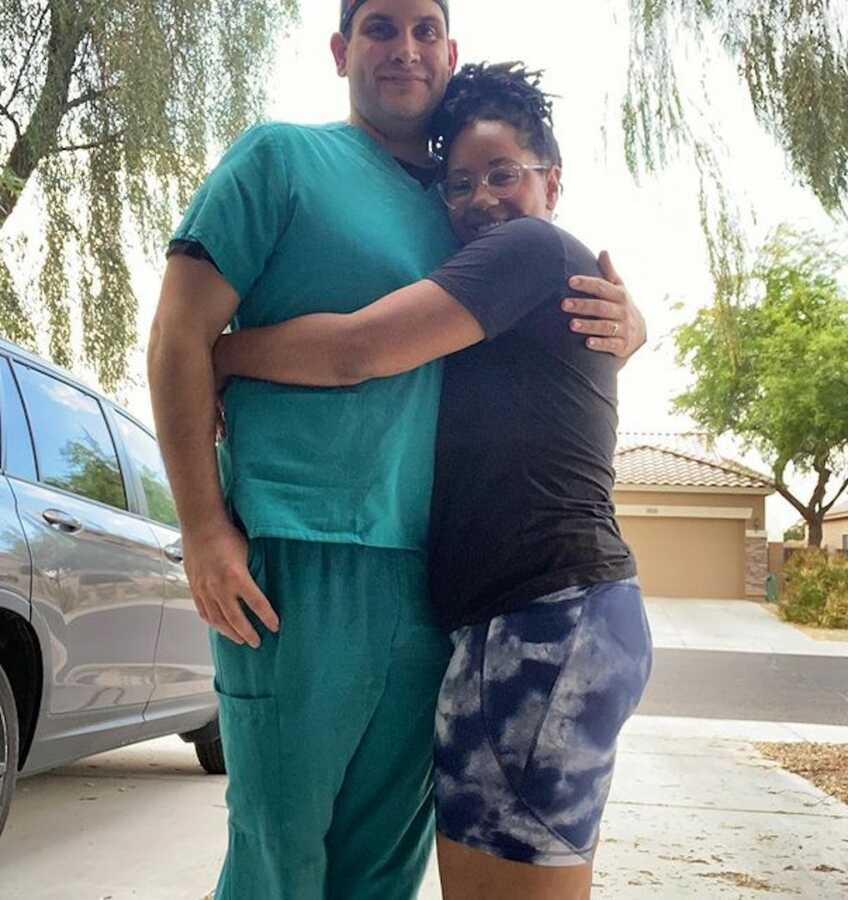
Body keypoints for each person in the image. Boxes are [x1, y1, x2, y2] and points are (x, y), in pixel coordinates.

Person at [147, 2, 646, 898]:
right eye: (380, 27)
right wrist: (203, 530)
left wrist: (632, 323)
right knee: (280, 858)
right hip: (299, 567)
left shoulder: (466, 213)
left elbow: (521, 329)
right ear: (342, 50)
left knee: (383, 871)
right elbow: (177, 335)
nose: (404, 49)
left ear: (451, 54)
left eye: (424, 29)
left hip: (437, 592)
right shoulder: (279, 158)